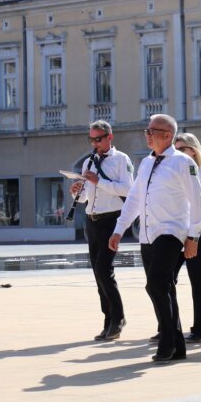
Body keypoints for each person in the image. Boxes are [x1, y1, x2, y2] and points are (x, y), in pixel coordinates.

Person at [109, 114, 201, 364]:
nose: (147, 134)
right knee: (164, 288)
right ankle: (178, 346)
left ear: (167, 135)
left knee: (156, 285)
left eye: (151, 131)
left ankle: (167, 342)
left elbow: (197, 201)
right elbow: (134, 199)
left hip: (171, 232)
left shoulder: (183, 162)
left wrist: (194, 236)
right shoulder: (146, 163)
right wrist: (119, 229)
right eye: (147, 130)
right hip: (148, 234)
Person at [69, 120, 134, 341]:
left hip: (111, 220)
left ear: (109, 137)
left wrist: (99, 181)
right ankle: (108, 319)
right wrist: (76, 191)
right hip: (92, 221)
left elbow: (128, 189)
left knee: (104, 269)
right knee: (98, 274)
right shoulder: (89, 161)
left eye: (98, 139)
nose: (94, 143)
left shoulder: (121, 159)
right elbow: (85, 197)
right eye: (91, 139)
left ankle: (118, 318)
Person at [174, 133, 201, 342]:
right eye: (176, 150)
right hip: (177, 229)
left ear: (193, 150)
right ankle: (169, 326)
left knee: (198, 283)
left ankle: (200, 329)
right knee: (164, 280)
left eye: (182, 149)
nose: (179, 153)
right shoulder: (176, 170)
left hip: (198, 230)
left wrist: (192, 236)